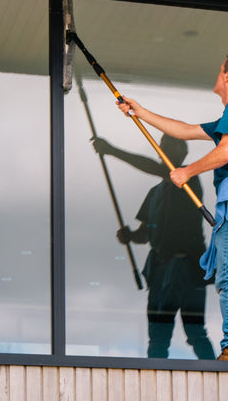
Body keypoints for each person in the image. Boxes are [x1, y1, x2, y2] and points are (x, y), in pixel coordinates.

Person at [118, 52, 228, 364]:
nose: (217, 74)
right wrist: (140, 112)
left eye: (219, 70)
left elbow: (226, 152)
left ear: (227, 75)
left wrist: (187, 172)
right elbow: (185, 130)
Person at [91, 132, 216, 360]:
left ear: (183, 152)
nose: (164, 152)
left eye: (169, 147)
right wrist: (130, 236)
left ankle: (218, 379)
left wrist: (113, 151)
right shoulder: (154, 194)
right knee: (158, 335)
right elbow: (145, 234)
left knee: (195, 332)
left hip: (188, 270)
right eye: (161, 147)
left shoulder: (190, 179)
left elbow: (160, 170)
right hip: (160, 270)